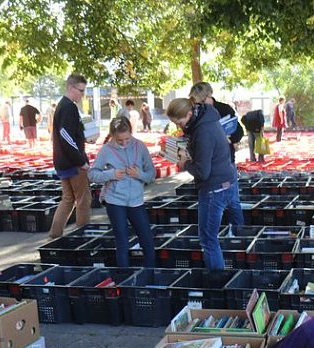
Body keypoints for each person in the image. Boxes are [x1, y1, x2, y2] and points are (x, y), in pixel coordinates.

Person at [166, 97, 241, 271]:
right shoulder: (208, 119)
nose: (179, 126)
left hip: (214, 189)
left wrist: (184, 163)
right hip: (227, 181)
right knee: (222, 234)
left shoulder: (202, 132)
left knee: (208, 240)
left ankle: (217, 279)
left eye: (180, 122)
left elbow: (202, 172)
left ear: (190, 113)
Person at [88, 116, 156, 267]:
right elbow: (92, 174)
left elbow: (152, 173)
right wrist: (111, 174)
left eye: (127, 139)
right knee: (122, 241)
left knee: (147, 239)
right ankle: (124, 276)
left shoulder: (140, 146)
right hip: (115, 200)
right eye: (120, 140)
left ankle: (151, 273)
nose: (125, 143)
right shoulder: (106, 150)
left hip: (136, 200)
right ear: (113, 136)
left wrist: (139, 175)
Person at [49, 73, 91, 238]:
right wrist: (81, 161)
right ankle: (83, 234)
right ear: (71, 88)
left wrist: (83, 138)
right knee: (83, 199)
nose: (83, 95)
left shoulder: (62, 105)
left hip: (63, 161)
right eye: (81, 91)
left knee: (68, 199)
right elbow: (66, 135)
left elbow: (67, 135)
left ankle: (55, 234)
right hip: (73, 163)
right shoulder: (69, 107)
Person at [189, 82, 245, 164]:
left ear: (209, 95)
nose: (201, 105)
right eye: (197, 102)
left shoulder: (224, 109)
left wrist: (228, 139)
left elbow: (239, 132)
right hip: (204, 157)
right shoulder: (196, 111)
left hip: (225, 156)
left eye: (203, 100)